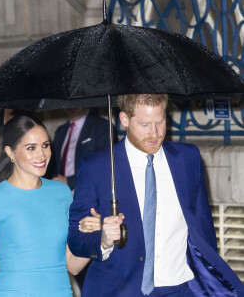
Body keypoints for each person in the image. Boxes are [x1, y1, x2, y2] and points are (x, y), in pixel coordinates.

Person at [68, 94, 244, 296]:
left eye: (160, 122)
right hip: (121, 290)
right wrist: (103, 240)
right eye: (144, 124)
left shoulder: (188, 158)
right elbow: (76, 239)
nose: (154, 133)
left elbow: (203, 227)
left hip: (181, 287)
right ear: (124, 119)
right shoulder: (96, 167)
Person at [0, 115, 101, 297]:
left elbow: (72, 265)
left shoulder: (61, 192)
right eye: (31, 148)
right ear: (10, 152)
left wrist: (92, 234)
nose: (42, 154)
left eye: (45, 145)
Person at [52, 108, 117, 190]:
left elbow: (103, 165)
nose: (71, 105)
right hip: (61, 191)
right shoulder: (60, 130)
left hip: (88, 191)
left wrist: (69, 181)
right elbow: (53, 164)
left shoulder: (103, 127)